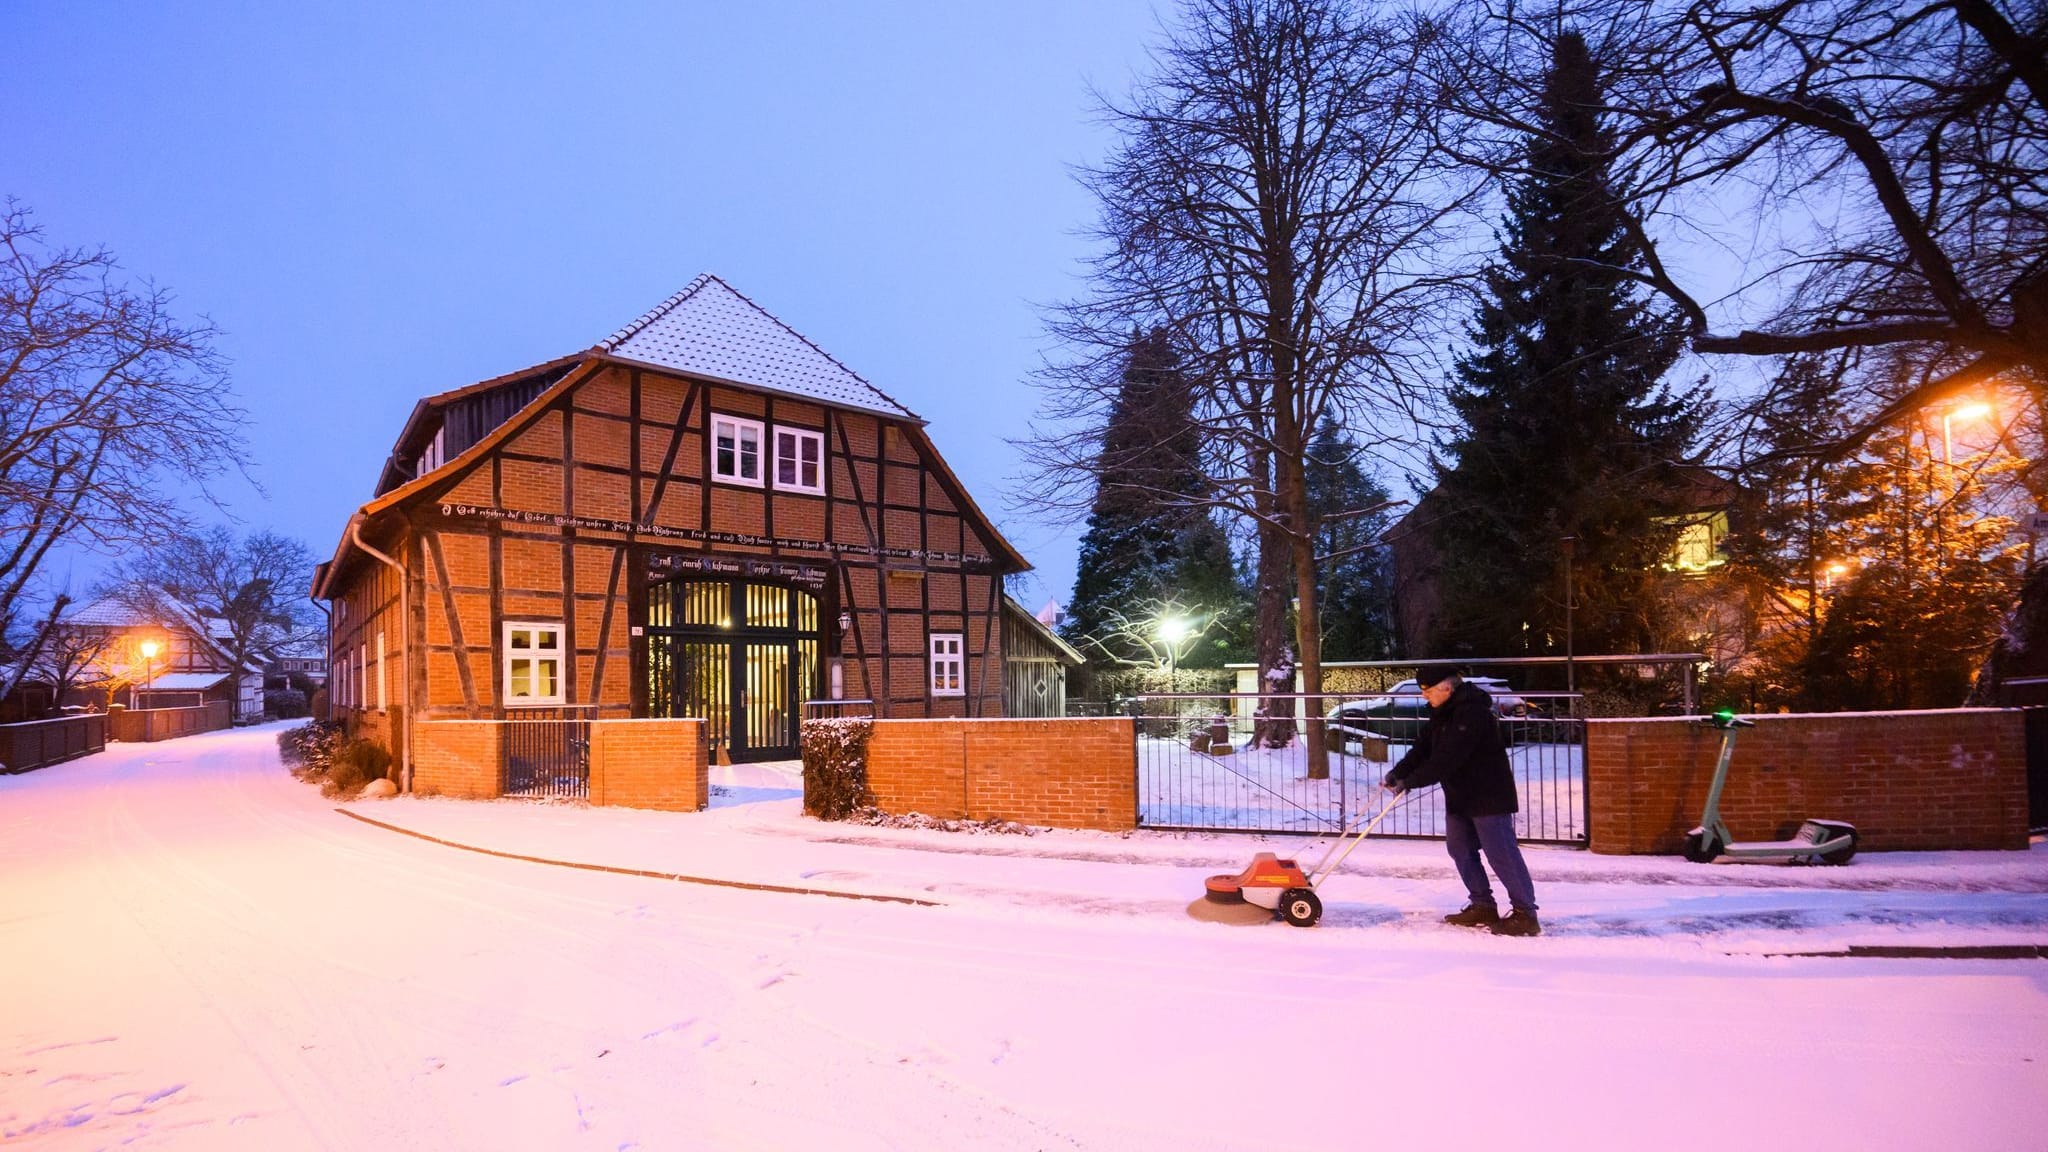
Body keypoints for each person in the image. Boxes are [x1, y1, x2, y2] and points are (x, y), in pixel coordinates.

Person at [1382, 665, 1541, 937]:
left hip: (1488, 794)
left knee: (1501, 854)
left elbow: (1447, 758)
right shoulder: (1442, 712)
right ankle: (1482, 904)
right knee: (1459, 848)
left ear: (1447, 687)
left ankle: (1526, 913)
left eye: (1428, 691)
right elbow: (1424, 748)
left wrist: (1411, 782)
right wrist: (1399, 772)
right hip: (1460, 796)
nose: (1425, 697)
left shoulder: (1473, 713)